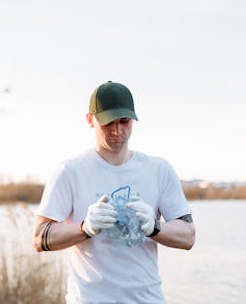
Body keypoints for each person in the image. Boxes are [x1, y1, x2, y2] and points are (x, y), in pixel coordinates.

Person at [32, 81, 195, 304]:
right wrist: (84, 229)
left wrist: (154, 227)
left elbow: (188, 236)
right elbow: (40, 238)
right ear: (90, 120)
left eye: (124, 122)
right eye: (108, 123)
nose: (117, 131)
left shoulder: (158, 169)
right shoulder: (70, 171)